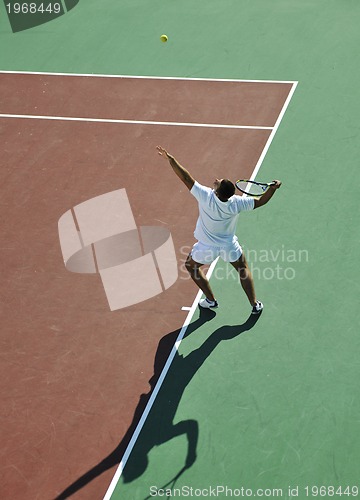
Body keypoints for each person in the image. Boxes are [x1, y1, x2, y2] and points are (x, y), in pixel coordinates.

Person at [156, 146, 281, 314]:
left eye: (218, 182)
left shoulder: (205, 196)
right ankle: (255, 304)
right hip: (229, 245)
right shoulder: (237, 202)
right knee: (242, 268)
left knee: (191, 266)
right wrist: (272, 189)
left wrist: (171, 160)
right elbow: (260, 201)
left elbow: (185, 177)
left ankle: (211, 300)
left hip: (206, 246)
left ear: (217, 191)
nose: (216, 179)